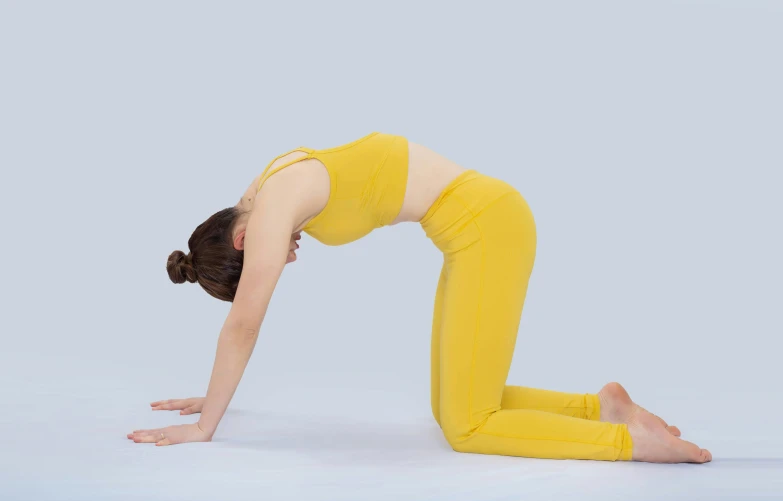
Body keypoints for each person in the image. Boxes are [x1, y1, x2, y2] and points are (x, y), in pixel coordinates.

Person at [127, 131, 711, 464]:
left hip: (487, 225)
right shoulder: (263, 188)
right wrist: (213, 394)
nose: (287, 259)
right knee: (455, 403)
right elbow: (244, 308)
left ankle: (628, 443)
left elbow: (244, 324)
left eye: (269, 259)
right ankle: (600, 407)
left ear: (244, 238)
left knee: (466, 427)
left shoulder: (274, 208)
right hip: (476, 229)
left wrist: (207, 425)